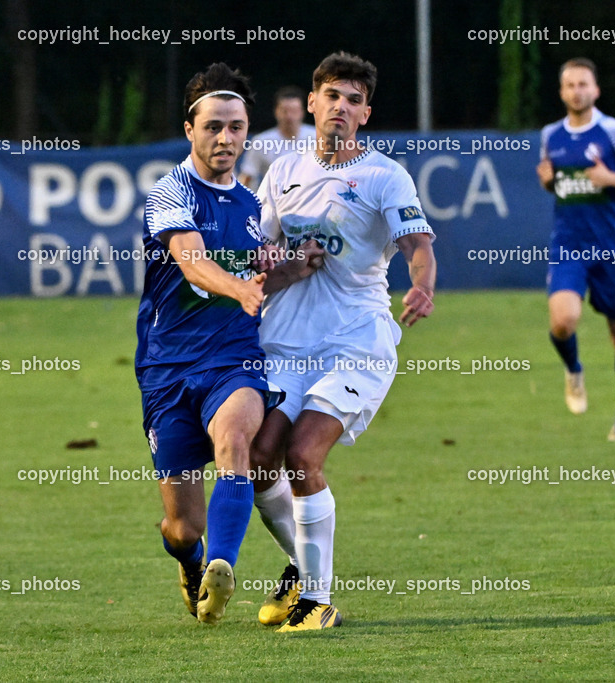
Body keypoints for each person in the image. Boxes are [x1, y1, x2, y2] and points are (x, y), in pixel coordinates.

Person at [249, 51, 437, 632]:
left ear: (365, 114)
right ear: (312, 104)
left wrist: (422, 288)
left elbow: (418, 246)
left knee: (304, 456)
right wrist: (285, 262)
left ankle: (318, 602)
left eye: (354, 100)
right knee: (258, 461)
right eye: (332, 95)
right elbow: (257, 258)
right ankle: (300, 569)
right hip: (285, 341)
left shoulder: (385, 175)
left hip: (356, 340)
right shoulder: (282, 172)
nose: (341, 107)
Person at [136, 62, 319, 624]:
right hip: (167, 370)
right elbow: (192, 264)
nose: (226, 138)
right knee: (180, 525)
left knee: (237, 440)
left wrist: (294, 267)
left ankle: (222, 567)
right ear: (190, 129)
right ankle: (192, 561)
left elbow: (259, 275)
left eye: (236, 127)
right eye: (213, 126)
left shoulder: (250, 202)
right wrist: (238, 285)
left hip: (233, 359)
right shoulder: (168, 194)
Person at [535, 57, 615, 441]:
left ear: (596, 89)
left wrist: (609, 178)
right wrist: (548, 182)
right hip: (568, 244)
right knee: (562, 322)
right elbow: (553, 183)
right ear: (561, 92)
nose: (577, 91)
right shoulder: (551, 135)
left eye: (583, 84)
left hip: (610, 248)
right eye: (570, 85)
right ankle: (574, 371)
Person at [238, 86, 317, 190]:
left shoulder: (317, 138)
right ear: (276, 112)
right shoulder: (260, 142)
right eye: (284, 111)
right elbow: (248, 176)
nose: (289, 117)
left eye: (294, 111)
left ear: (303, 112)